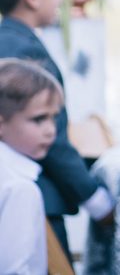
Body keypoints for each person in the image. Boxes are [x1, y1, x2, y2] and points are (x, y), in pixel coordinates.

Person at [0, 0, 115, 261]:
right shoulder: (24, 57)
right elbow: (53, 141)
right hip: (37, 200)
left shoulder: (7, 39)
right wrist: (97, 200)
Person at [0, 58, 64, 275]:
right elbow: (14, 270)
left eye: (53, 118)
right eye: (38, 119)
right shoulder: (20, 188)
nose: (50, 130)